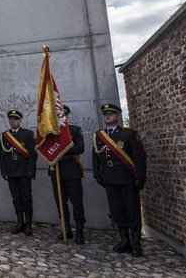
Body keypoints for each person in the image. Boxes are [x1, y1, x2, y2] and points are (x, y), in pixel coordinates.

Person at [92, 103, 147, 256]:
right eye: (105, 114)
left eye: (111, 113)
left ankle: (136, 242)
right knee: (117, 210)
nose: (107, 116)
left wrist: (139, 177)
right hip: (109, 178)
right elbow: (96, 157)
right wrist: (97, 174)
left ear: (117, 116)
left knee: (132, 210)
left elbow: (139, 158)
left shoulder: (128, 135)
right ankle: (124, 240)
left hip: (127, 178)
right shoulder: (99, 136)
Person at [48, 105, 86, 244]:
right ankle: (66, 229)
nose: (60, 117)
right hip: (56, 170)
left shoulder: (75, 130)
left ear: (67, 116)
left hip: (72, 170)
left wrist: (63, 149)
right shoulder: (51, 133)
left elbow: (80, 148)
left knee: (77, 202)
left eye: (62, 115)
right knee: (61, 203)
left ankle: (80, 231)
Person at [0, 110, 37, 236]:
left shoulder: (28, 134)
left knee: (27, 198)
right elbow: (2, 155)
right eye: (11, 119)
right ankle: (20, 223)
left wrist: (31, 170)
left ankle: (28, 224)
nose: (13, 121)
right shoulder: (5, 136)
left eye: (15, 119)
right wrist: (4, 170)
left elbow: (33, 154)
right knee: (16, 198)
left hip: (24, 171)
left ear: (20, 121)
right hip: (11, 171)